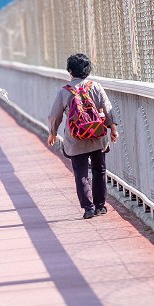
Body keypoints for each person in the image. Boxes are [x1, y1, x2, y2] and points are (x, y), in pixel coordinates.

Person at [47, 53, 119, 219]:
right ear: (88, 70)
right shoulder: (95, 87)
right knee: (99, 169)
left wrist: (52, 133)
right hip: (97, 137)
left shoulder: (64, 92)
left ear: (70, 71)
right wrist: (113, 129)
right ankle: (100, 205)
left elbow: (54, 115)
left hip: (75, 139)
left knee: (81, 172)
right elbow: (107, 109)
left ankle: (88, 208)